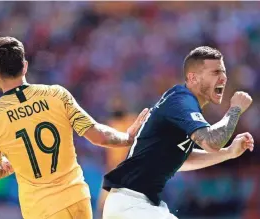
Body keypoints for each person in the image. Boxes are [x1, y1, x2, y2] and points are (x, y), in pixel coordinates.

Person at [0, 35, 149, 219]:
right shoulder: (57, 95)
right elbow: (97, 135)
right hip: (77, 199)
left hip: (41, 209)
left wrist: (14, 164)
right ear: (25, 66)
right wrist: (127, 138)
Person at [102, 46, 254, 219]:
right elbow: (211, 141)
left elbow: (181, 159)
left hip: (134, 205)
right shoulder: (182, 101)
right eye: (215, 72)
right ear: (193, 78)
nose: (223, 78)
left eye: (224, 72)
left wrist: (228, 153)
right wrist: (235, 109)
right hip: (131, 206)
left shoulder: (182, 104)